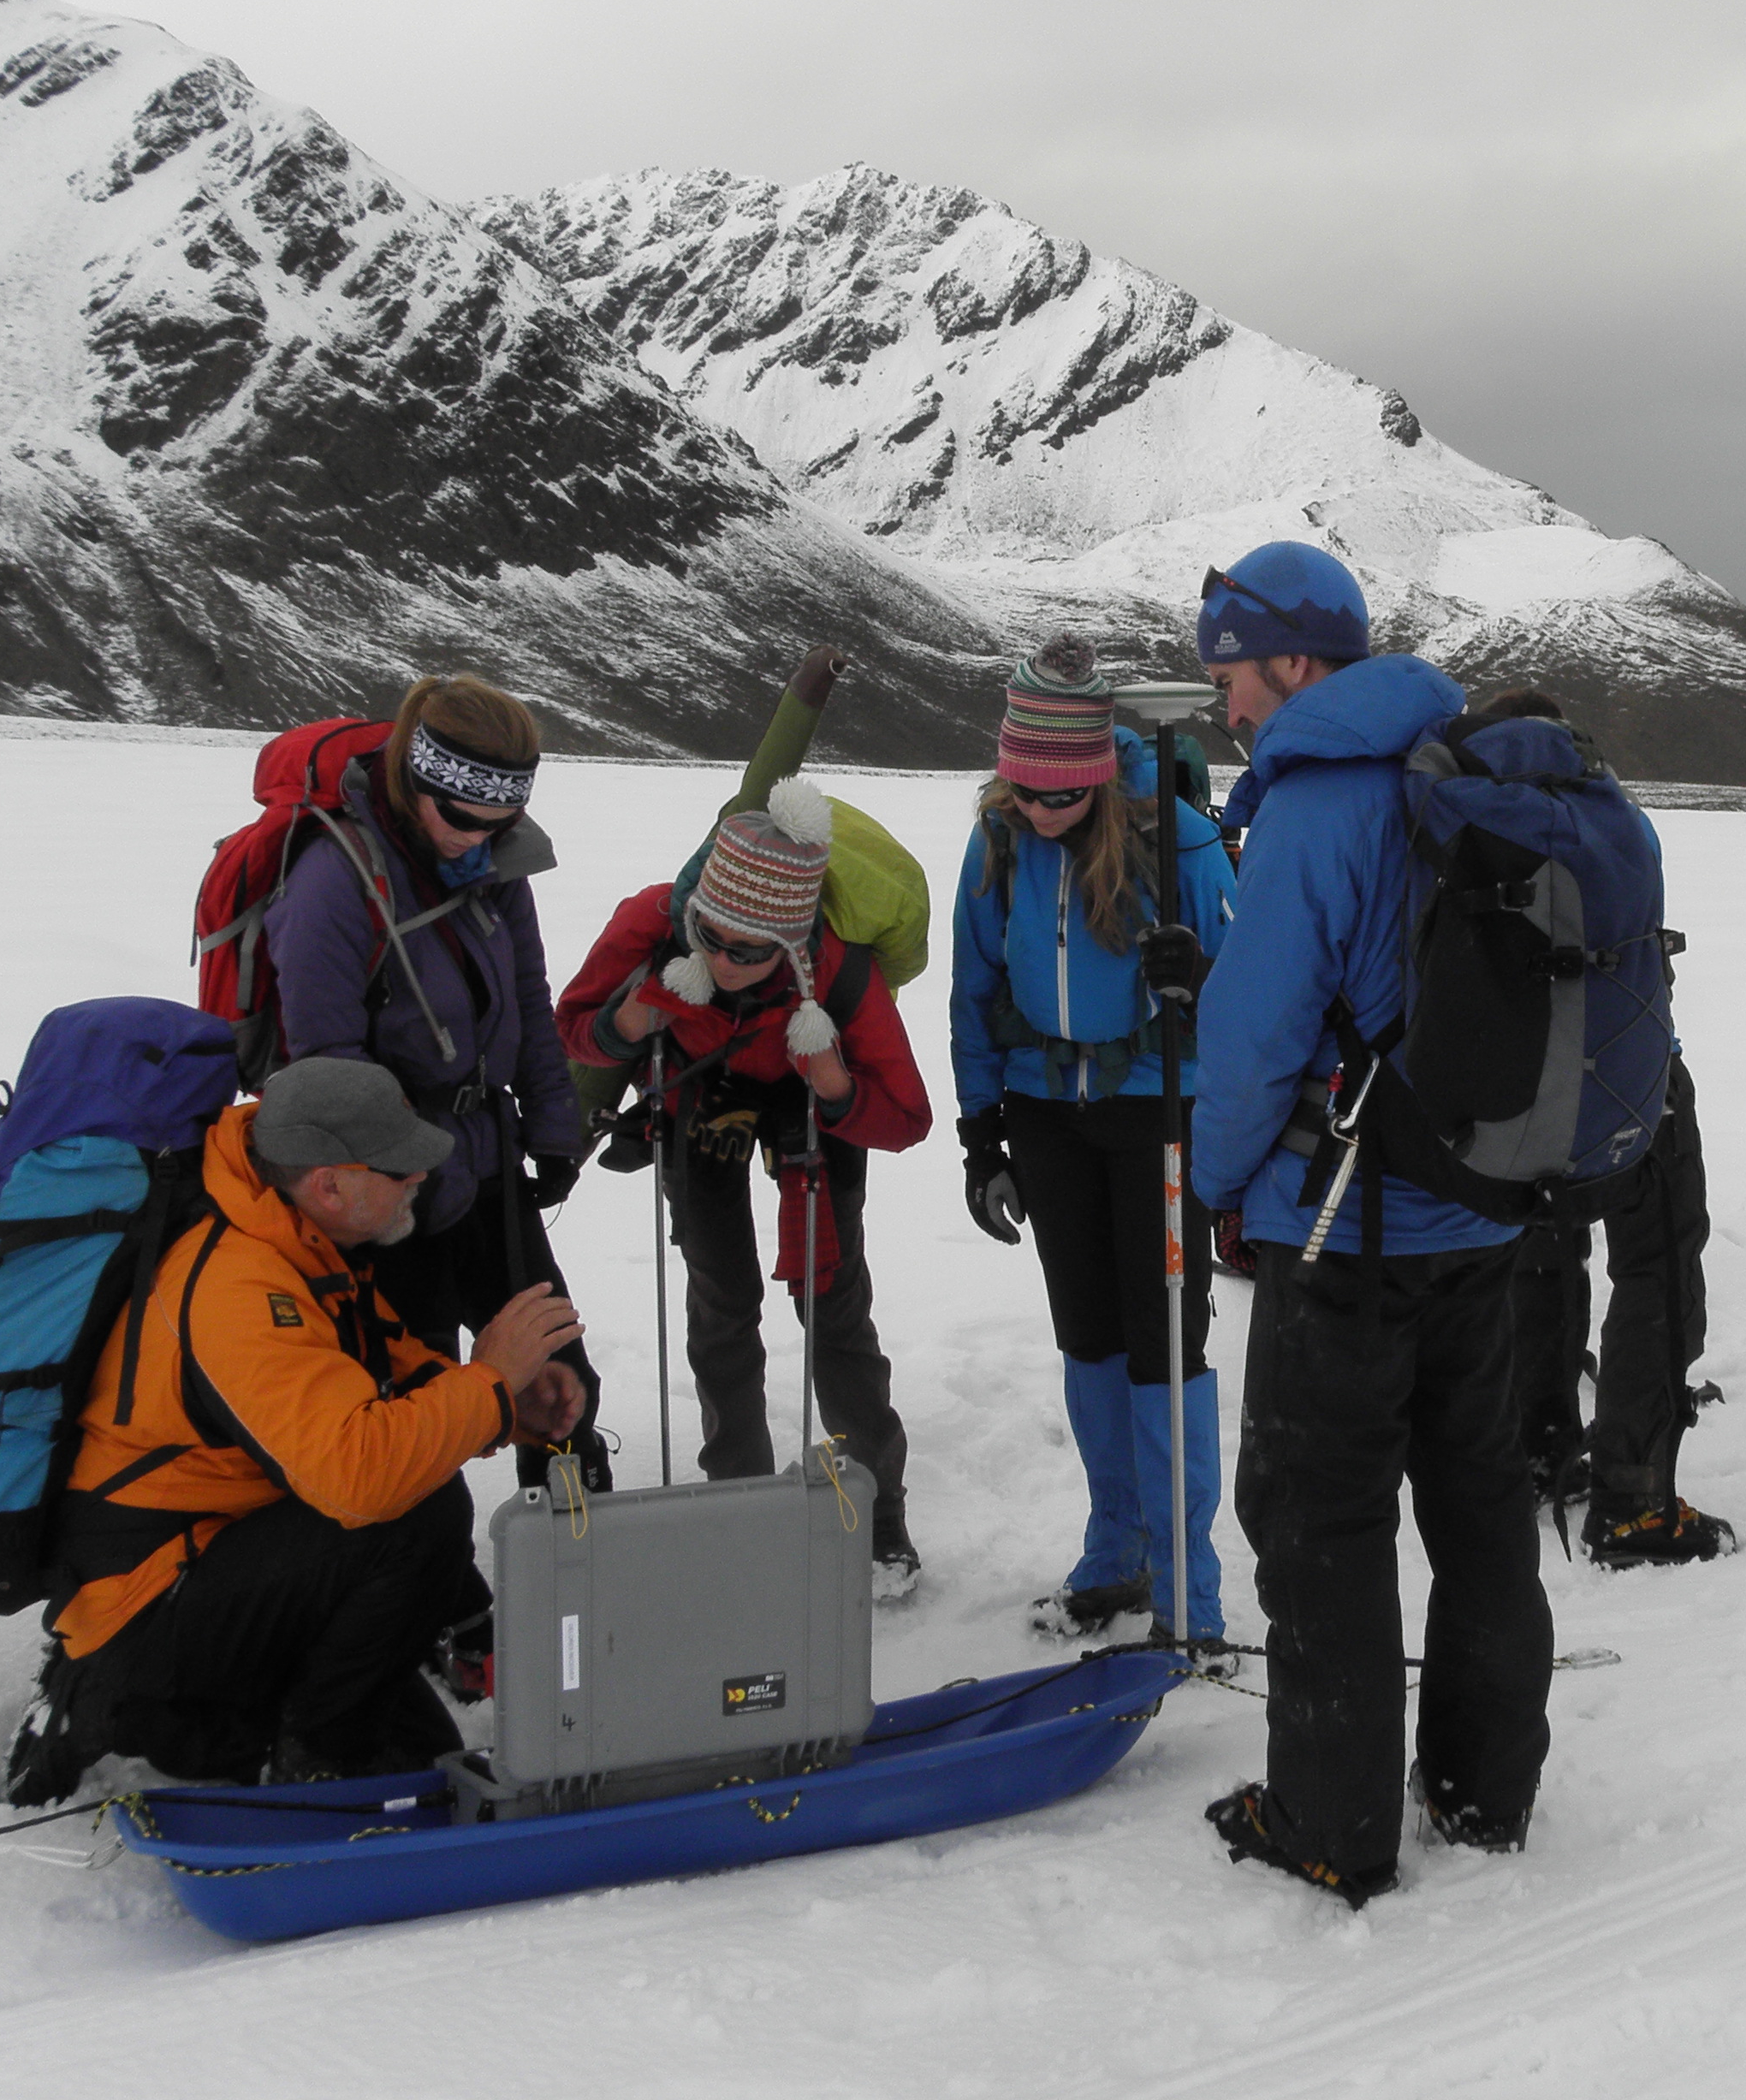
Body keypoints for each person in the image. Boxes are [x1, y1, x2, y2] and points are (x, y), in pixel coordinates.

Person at [1188, 540, 1553, 1907]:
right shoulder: (1456, 773)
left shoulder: (1317, 806)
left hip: (1343, 1232)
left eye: (1229, 674)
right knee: (1480, 1506)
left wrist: (1219, 1182)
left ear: (1292, 662)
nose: (1225, 706)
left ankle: (1331, 1824)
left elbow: (1254, 1034)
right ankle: (1484, 1786)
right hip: (1480, 1211)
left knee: (1319, 1521)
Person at [2, 1058, 585, 1804]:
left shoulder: (295, 1241)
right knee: (413, 1516)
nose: (419, 1178)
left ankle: (300, 1725)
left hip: (213, 1558)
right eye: (399, 1166)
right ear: (330, 1183)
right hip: (148, 1611)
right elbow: (360, 1477)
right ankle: (313, 1768)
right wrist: (488, 1383)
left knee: (422, 1744)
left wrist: (506, 1405)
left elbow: (388, 1378)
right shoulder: (238, 1287)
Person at [557, 783, 933, 1598]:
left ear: (792, 942)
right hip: (701, 1102)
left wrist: (834, 1085)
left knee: (832, 1305)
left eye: (750, 951)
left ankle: (878, 1515)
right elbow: (572, 1025)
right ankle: (738, 1499)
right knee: (721, 1302)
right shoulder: (652, 924)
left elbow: (906, 1117)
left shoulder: (838, 970)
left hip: (809, 1112)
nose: (724, 963)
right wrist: (627, 1026)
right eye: (713, 940)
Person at [948, 638, 1238, 1640]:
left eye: (1059, 799)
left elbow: (1251, 995)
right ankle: (1116, 1545)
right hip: (1043, 1117)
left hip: (1157, 1112)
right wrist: (980, 1136)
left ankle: (1187, 1585)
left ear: (1095, 782)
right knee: (1089, 1340)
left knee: (1167, 1344)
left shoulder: (1184, 843)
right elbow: (973, 991)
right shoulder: (994, 844)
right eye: (1023, 793)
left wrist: (1194, 975)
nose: (1039, 813)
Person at [266, 673, 596, 1485]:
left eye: (501, 822)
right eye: (459, 817)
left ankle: (579, 1571)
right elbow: (325, 1069)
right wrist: (400, 1179)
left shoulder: (493, 867)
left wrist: (554, 1127)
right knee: (412, 1401)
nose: (476, 840)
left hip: (489, 1168)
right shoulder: (332, 887)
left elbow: (526, 998)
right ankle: (428, 1590)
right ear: (415, 783)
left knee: (563, 1386)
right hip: (387, 1197)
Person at [1476, 687, 1735, 1565]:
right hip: (1638, 1088)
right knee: (1659, 1273)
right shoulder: (1609, 814)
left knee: (1535, 1261)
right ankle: (1633, 1501)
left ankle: (1539, 1449)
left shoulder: (1468, 819)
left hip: (1512, 1104)